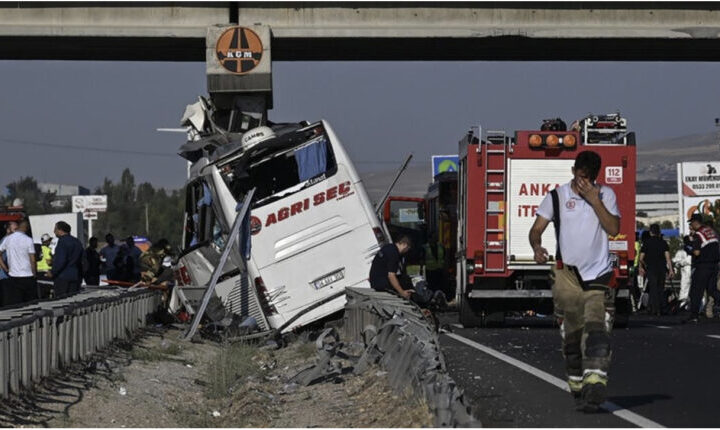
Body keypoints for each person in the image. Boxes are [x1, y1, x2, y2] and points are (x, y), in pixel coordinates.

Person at [529, 150, 620, 412]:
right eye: (581, 178)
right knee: (573, 338)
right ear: (573, 172)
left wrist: (595, 201)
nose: (584, 184)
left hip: (598, 275)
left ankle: (595, 389)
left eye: (589, 179)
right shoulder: (556, 197)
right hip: (567, 276)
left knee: (597, 334)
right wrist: (537, 247)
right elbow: (536, 230)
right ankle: (578, 385)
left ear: (596, 177)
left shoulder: (605, 195)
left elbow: (614, 229)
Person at [685, 214, 720, 323]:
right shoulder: (712, 232)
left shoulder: (698, 234)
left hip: (703, 265)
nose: (691, 225)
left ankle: (694, 315)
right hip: (715, 265)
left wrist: (687, 247)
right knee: (712, 290)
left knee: (696, 291)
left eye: (691, 223)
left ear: (696, 222)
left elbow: (696, 252)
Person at [638, 224, 674, 316]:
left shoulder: (646, 243)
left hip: (651, 268)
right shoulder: (663, 243)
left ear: (650, 232)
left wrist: (642, 267)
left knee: (653, 288)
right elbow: (668, 258)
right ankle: (660, 308)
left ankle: (654, 309)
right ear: (659, 232)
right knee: (660, 288)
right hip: (661, 268)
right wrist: (671, 270)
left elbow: (641, 258)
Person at [0, 220, 38, 305]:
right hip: (28, 275)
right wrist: (34, 273)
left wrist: (6, 269)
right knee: (31, 302)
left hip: (14, 276)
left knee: (16, 302)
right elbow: (32, 259)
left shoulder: (7, 239)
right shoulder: (28, 240)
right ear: (25, 228)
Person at [47, 221, 83, 298]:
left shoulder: (62, 242)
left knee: (61, 301)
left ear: (60, 230)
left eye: (55, 229)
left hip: (62, 277)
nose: (54, 231)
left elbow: (61, 260)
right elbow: (83, 259)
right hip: (75, 276)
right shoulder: (77, 242)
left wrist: (53, 272)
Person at [672, 235, 693, 310]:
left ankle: (688, 306)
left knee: (690, 289)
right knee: (684, 288)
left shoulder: (691, 250)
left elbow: (688, 260)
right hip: (686, 271)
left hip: (691, 270)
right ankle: (683, 305)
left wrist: (680, 263)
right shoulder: (682, 251)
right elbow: (675, 261)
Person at [0, 221, 18, 307]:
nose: (17, 232)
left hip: (11, 274)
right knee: (8, 299)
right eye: (15, 229)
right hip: (5, 275)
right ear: (8, 230)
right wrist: (6, 269)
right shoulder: (5, 241)